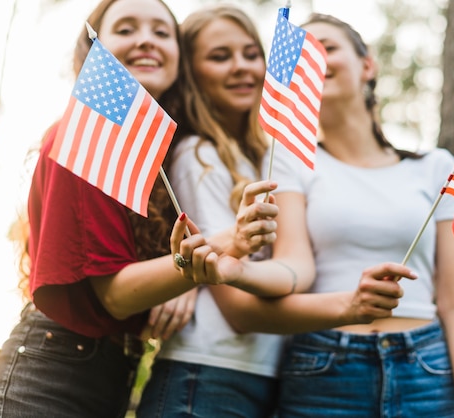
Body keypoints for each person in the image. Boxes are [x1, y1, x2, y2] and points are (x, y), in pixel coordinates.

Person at [0, 1, 279, 417]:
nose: (146, 40)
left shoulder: (158, 155)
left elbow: (154, 278)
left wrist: (183, 278)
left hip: (110, 377)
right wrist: (221, 247)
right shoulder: (85, 137)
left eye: (161, 32)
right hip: (46, 382)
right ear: (93, 50)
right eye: (126, 29)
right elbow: (115, 295)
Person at [136, 5, 418, 418]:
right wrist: (347, 307)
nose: (242, 68)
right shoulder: (200, 155)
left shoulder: (266, 158)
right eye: (219, 56)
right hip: (207, 372)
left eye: (252, 54)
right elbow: (232, 299)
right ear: (192, 73)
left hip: (262, 374)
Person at [209, 13, 454, 418]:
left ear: (367, 65)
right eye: (300, 56)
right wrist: (237, 272)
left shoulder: (437, 167)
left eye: (326, 47)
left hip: (427, 371)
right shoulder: (289, 160)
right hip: (324, 367)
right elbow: (294, 267)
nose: (312, 61)